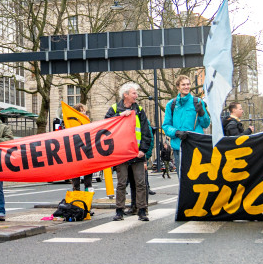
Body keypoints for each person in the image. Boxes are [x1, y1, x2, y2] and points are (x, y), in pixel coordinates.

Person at [105, 82, 153, 221]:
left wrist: (143, 150)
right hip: (122, 153)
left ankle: (142, 210)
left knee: (140, 183)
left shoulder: (139, 110)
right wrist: (120, 117)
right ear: (125, 95)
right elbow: (106, 128)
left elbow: (146, 132)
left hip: (136, 153)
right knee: (121, 183)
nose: (136, 96)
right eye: (134, 93)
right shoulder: (114, 109)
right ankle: (119, 210)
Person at [162, 75, 211, 174]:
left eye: (188, 84)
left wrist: (202, 112)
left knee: (199, 177)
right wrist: (176, 132)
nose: (186, 87)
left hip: (195, 145)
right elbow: (166, 126)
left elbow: (205, 124)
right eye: (183, 84)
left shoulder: (197, 101)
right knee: (183, 178)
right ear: (178, 87)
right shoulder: (171, 104)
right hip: (179, 146)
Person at [69, 104, 95, 193]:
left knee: (88, 181)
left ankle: (87, 202)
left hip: (87, 154)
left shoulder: (88, 122)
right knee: (76, 181)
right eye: (81, 111)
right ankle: (77, 202)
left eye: (84, 110)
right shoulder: (71, 124)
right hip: (75, 155)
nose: (83, 112)